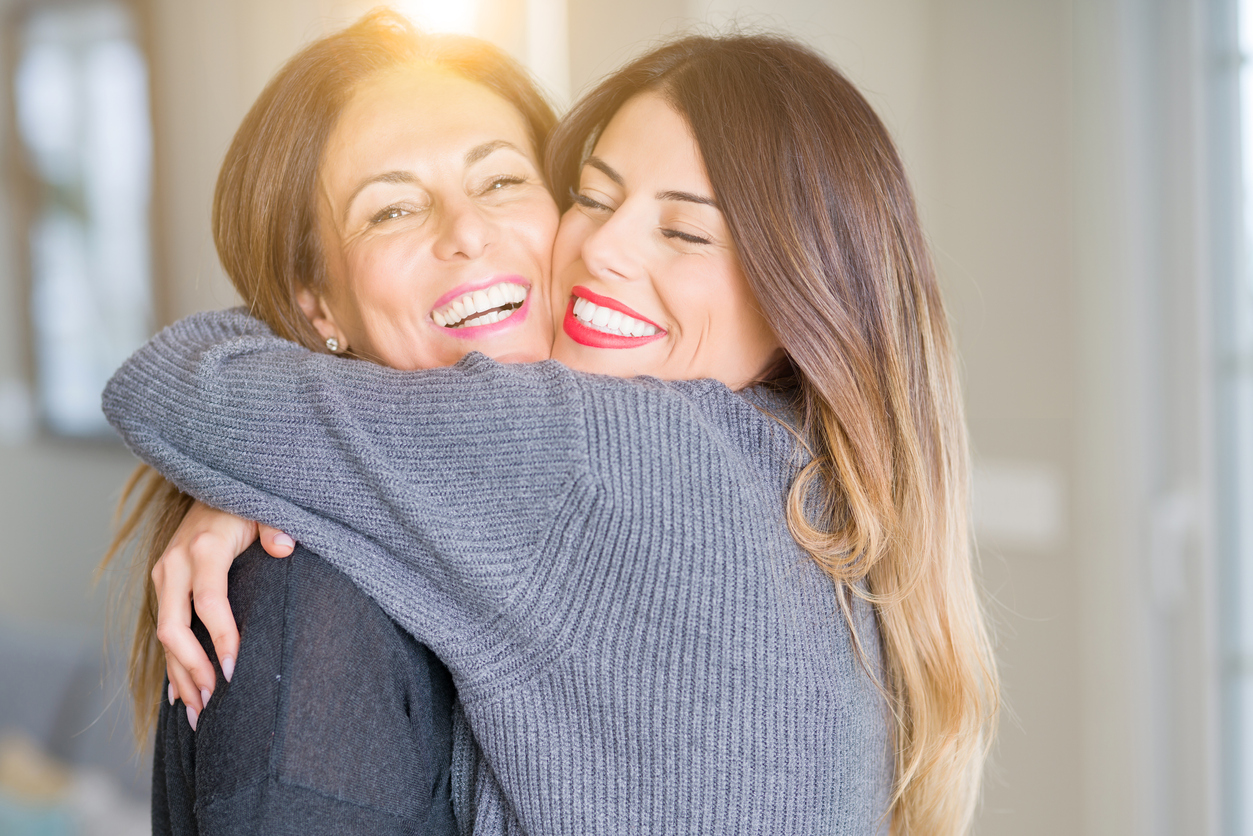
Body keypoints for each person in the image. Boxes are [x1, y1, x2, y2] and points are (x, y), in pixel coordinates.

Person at [106, 25, 999, 836]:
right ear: (317, 300)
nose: (605, 251)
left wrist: (257, 452)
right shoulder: (799, 477)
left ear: (797, 291)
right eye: (595, 197)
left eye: (685, 233)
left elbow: (171, 384)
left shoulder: (603, 452)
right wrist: (274, 464)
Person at [100, 11, 560, 833]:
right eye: (391, 211)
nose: (468, 231)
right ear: (320, 311)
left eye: (499, 181)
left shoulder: (642, 471)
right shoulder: (306, 593)